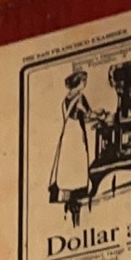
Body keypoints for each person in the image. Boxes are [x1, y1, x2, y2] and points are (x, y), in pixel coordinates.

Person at [49, 67, 99, 227]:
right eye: (84, 81)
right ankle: (75, 202)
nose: (85, 84)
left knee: (67, 165)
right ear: (79, 83)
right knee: (77, 163)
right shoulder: (80, 98)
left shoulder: (66, 99)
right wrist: (100, 115)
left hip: (67, 133)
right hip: (76, 133)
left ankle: (69, 199)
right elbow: (88, 114)